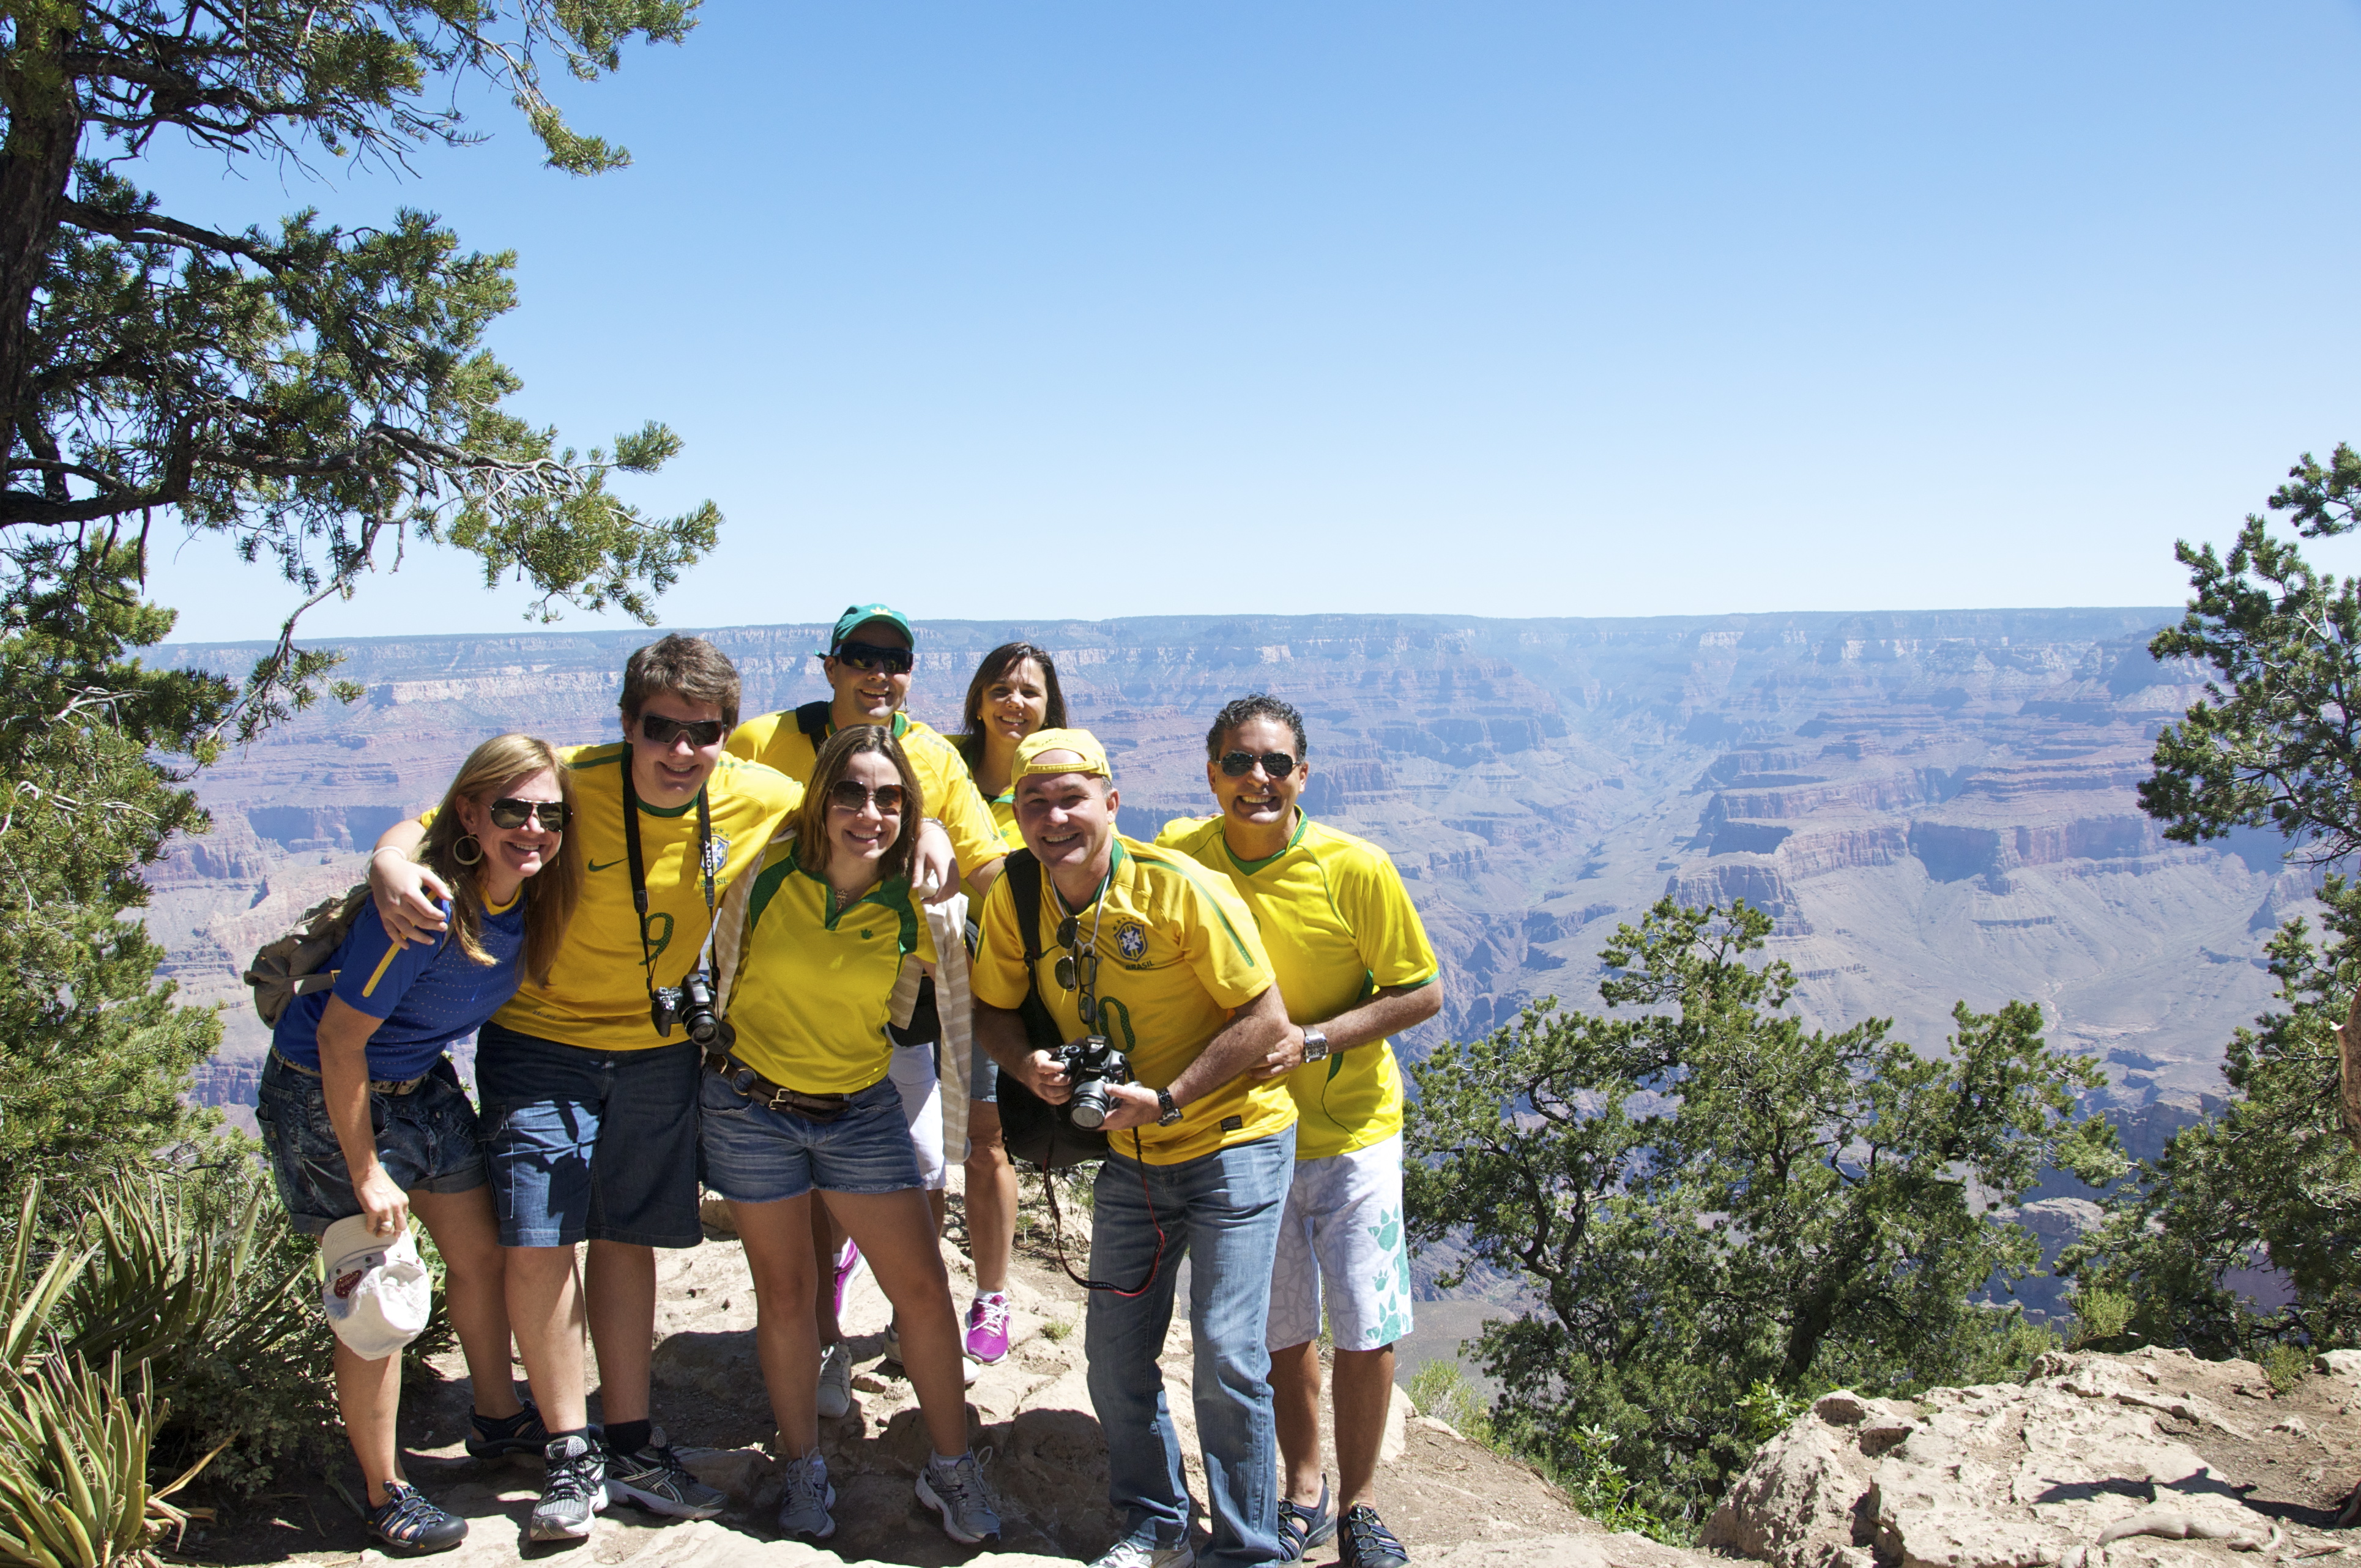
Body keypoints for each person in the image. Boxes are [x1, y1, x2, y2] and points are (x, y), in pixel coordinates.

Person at [368, 636, 814, 1542]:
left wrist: (924, 830)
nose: (682, 751)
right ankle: (569, 1449)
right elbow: (427, 820)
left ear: (728, 733)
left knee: (625, 1236)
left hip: (658, 1053)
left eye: (704, 732)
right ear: (626, 724)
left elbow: (859, 809)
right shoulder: (568, 779)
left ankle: (630, 1438)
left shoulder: (760, 796)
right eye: (661, 729)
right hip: (539, 1041)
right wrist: (386, 860)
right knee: (539, 1236)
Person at [972, 728, 1301, 1568]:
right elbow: (990, 1009)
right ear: (1016, 816)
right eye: (1034, 804)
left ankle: (1246, 1549)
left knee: (1227, 1351)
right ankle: (1153, 1521)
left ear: (1110, 804)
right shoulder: (1016, 899)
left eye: (1071, 799)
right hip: (1134, 1158)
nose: (1054, 818)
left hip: (1234, 1137)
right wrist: (1027, 1064)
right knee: (1114, 1351)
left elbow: (1266, 1019)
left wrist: (1171, 1097)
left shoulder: (1177, 888)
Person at [259, 734, 581, 1556]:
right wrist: (365, 1171)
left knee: (477, 1254)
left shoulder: (526, 899)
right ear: (469, 811)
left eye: (549, 812)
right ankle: (384, 1490)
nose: (534, 827)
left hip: (421, 1084)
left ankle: (496, 1415)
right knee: (378, 1299)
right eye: (513, 809)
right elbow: (337, 1041)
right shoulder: (423, 911)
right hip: (330, 1090)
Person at [1159, 696, 1441, 1568]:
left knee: (1363, 1320)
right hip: (1247, 1133)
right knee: (1281, 1325)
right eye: (1239, 762)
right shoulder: (1179, 856)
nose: (1258, 779)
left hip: (1354, 1128)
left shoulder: (1354, 867)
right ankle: (1304, 1485)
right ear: (1210, 772)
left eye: (1276, 764)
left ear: (1302, 775)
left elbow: (1421, 990)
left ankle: (1358, 1506)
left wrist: (1314, 1039)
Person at [702, 725, 1001, 1545]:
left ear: (907, 807)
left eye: (889, 797)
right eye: (850, 792)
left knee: (923, 1289)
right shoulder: (765, 869)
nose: (868, 811)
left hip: (856, 1108)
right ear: (820, 796)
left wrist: (980, 1117)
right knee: (789, 1292)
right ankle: (802, 1462)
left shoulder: (918, 898)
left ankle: (950, 1463)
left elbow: (967, 1000)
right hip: (749, 1104)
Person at [726, 605, 1007, 1405]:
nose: (879, 672)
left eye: (896, 658)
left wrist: (956, 852)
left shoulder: (929, 757)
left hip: (893, 1006)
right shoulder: (764, 740)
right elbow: (706, 828)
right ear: (829, 665)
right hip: (786, 1003)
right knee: (807, 1185)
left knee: (918, 1169)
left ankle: (901, 1313)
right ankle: (822, 1341)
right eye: (861, 655)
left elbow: (983, 859)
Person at [946, 642, 1068, 1364]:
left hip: (1003, 991)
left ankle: (992, 1293)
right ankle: (913, 1286)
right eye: (1000, 688)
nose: (1013, 703)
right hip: (918, 978)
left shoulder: (1059, 777)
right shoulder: (941, 768)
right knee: (910, 1145)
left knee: (984, 1139)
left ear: (1050, 705)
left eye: (1029, 691)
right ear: (977, 699)